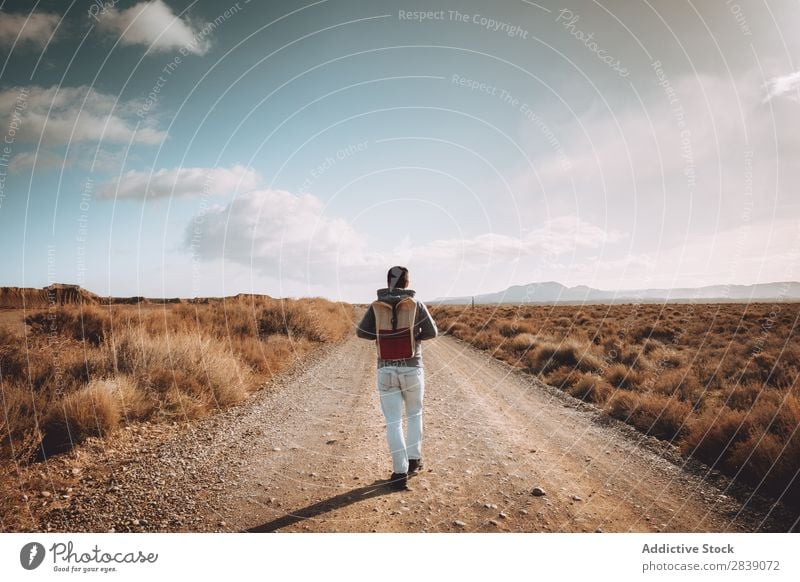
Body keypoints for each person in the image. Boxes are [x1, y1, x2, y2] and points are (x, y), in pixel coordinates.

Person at [356, 266, 438, 490]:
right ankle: (414, 460)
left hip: (386, 369)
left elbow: (361, 332)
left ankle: (399, 472)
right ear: (407, 283)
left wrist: (383, 336)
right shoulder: (416, 304)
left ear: (388, 282)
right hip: (412, 368)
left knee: (393, 422)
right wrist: (413, 337)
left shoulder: (376, 306)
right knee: (414, 414)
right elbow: (432, 332)